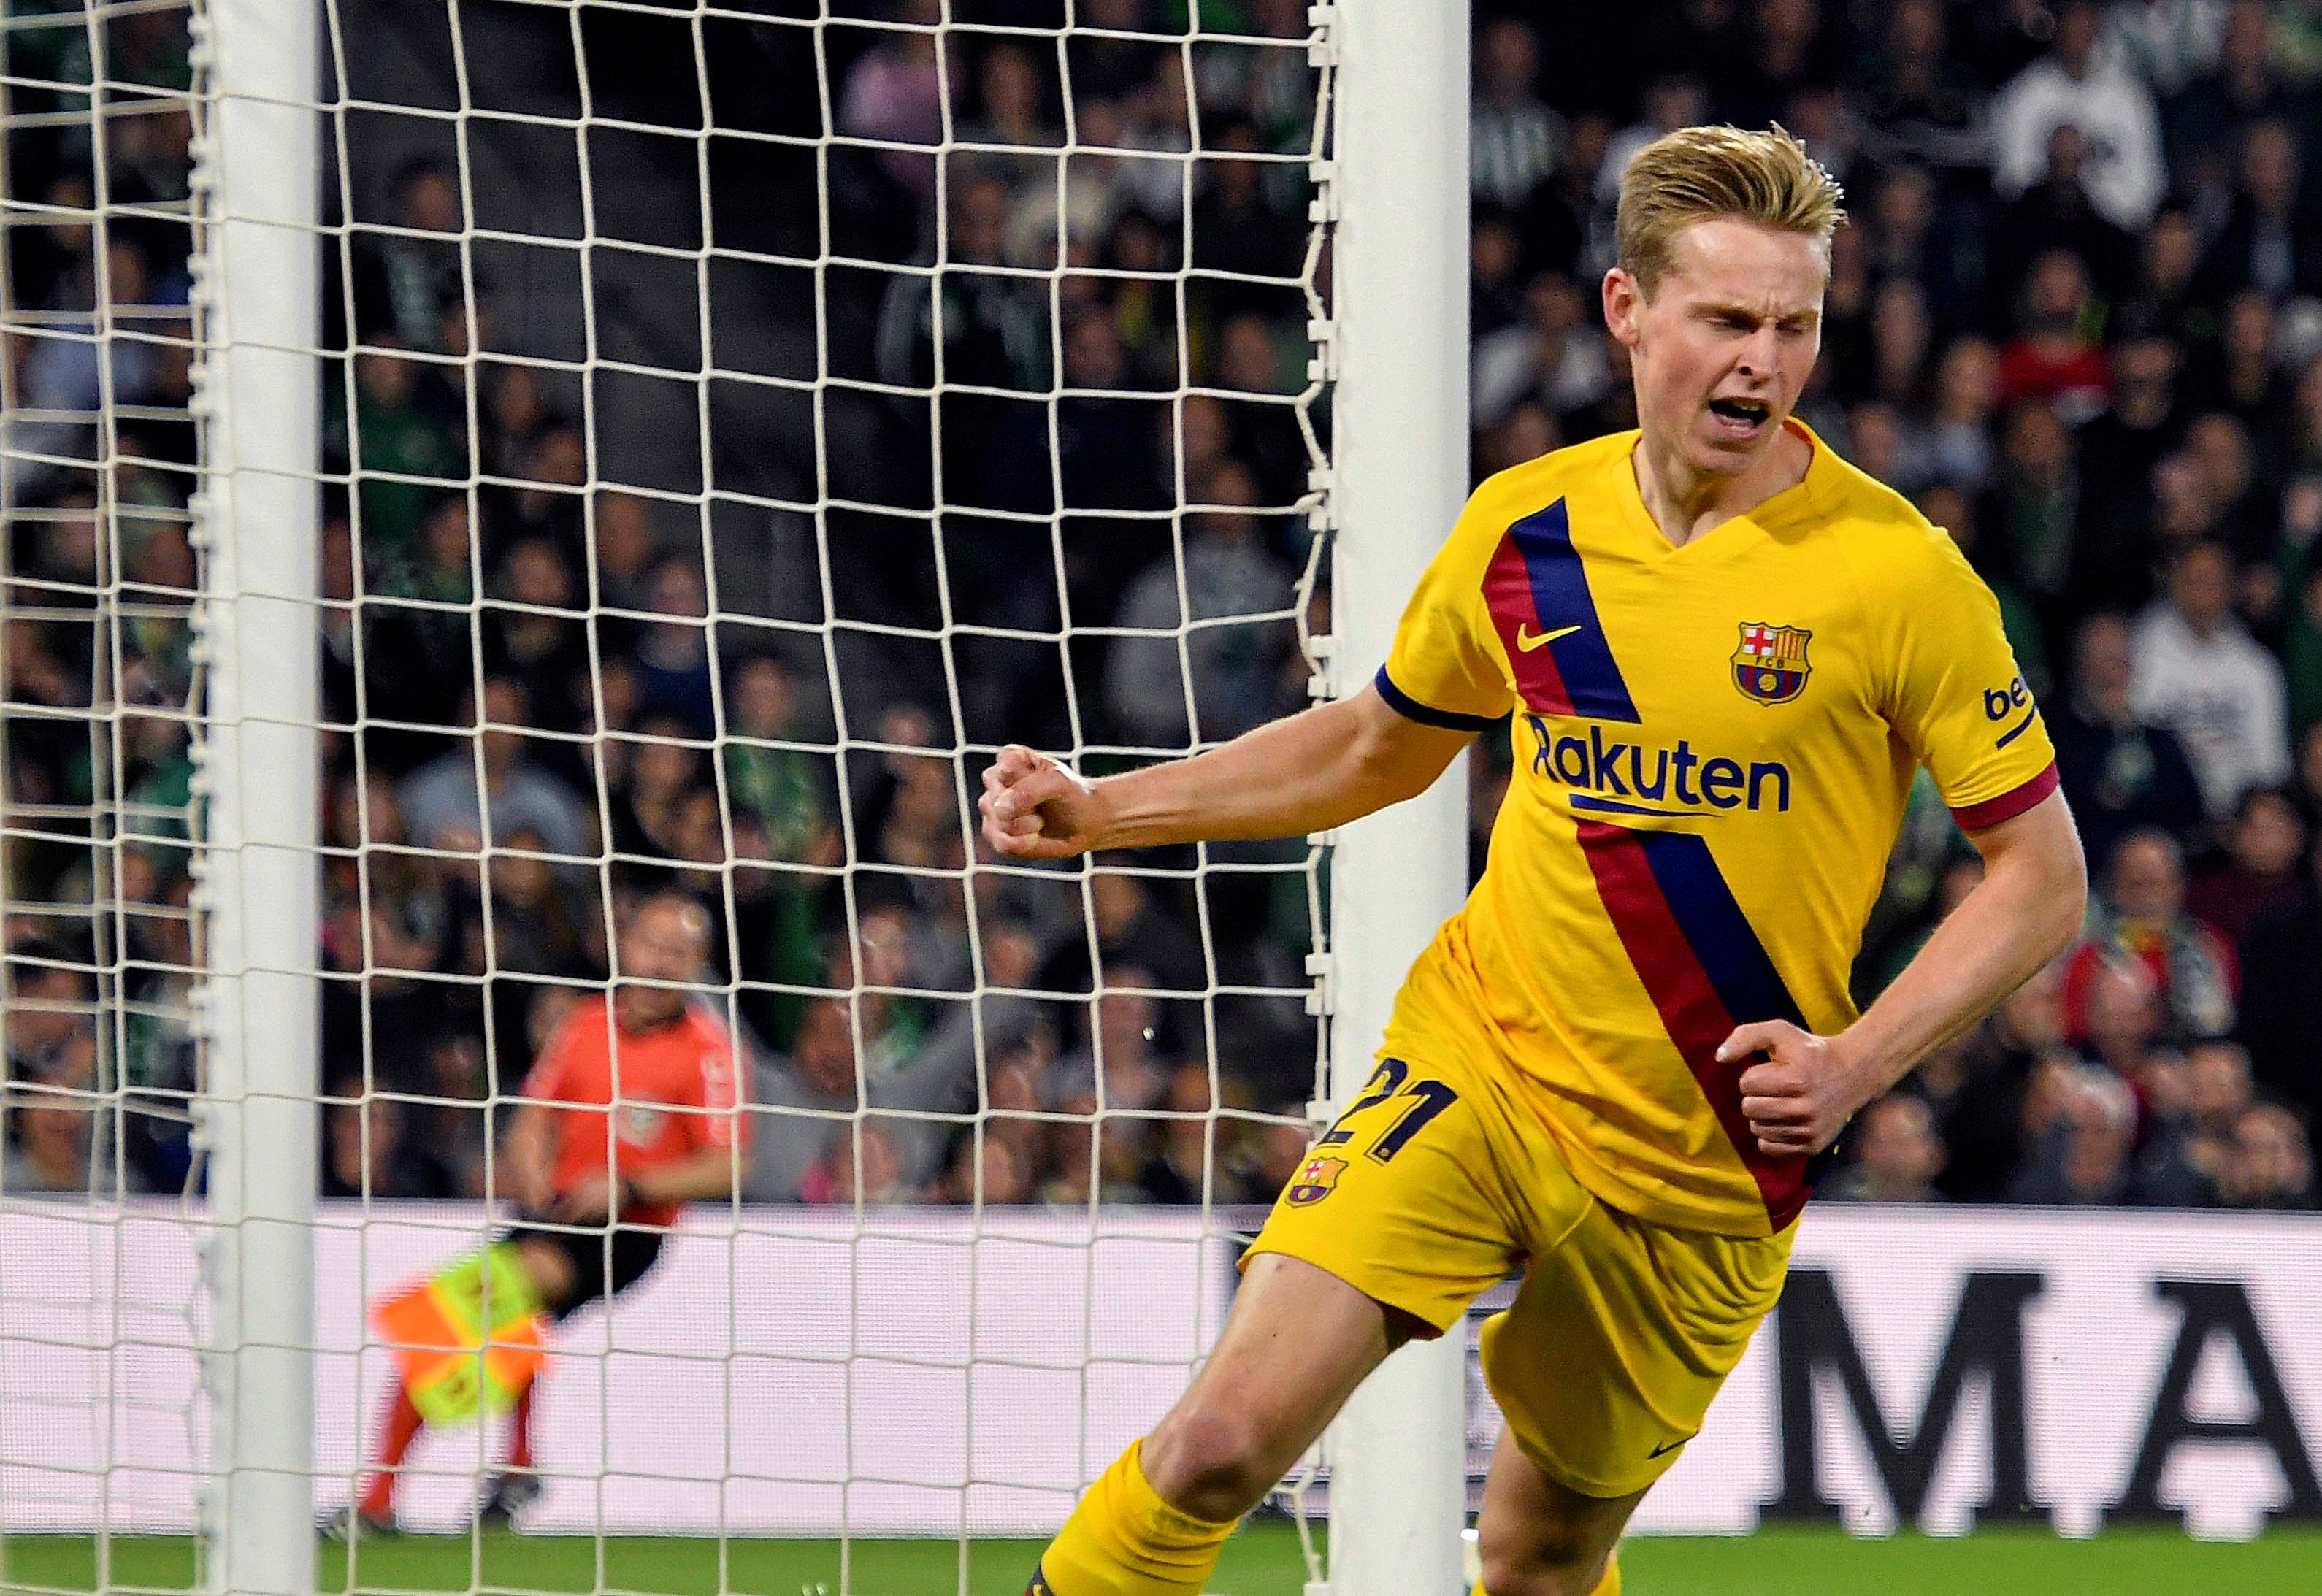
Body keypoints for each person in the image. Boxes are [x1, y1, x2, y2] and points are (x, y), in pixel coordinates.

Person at [980, 126, 2087, 1596]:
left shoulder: (1896, 576)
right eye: (1727, 320)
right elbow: (1371, 747)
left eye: (1794, 325)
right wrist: (1103, 810)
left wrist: (1856, 1064)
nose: (1762, 362)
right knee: (1222, 1440)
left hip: (1704, 1156)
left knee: (1540, 1558)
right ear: (1630, 312)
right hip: (1483, 1063)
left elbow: (2043, 876)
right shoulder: (1528, 530)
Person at [330, 893, 748, 1535]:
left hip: (626, 1232)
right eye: (653, 944)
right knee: (466, 1324)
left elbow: (727, 1166)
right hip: (551, 1214)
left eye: (680, 950)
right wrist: (525, 1162)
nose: (662, 962)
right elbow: (533, 1117)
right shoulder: (584, 1024)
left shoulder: (708, 1052)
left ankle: (378, 1503)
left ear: (699, 965)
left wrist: (630, 1185)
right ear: (625, 947)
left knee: (485, 1305)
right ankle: (514, 1471)